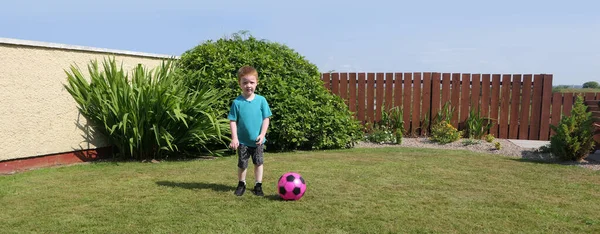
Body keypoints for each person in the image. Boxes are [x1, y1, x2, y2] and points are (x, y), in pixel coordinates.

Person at [228, 66, 272, 196]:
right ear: (239, 84)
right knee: (242, 164)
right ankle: (241, 183)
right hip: (242, 142)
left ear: (257, 83)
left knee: (258, 163)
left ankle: (258, 185)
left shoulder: (261, 100)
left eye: (252, 82)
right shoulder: (237, 103)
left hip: (258, 141)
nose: (248, 85)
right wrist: (235, 138)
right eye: (245, 82)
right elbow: (232, 121)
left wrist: (262, 134)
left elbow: (266, 118)